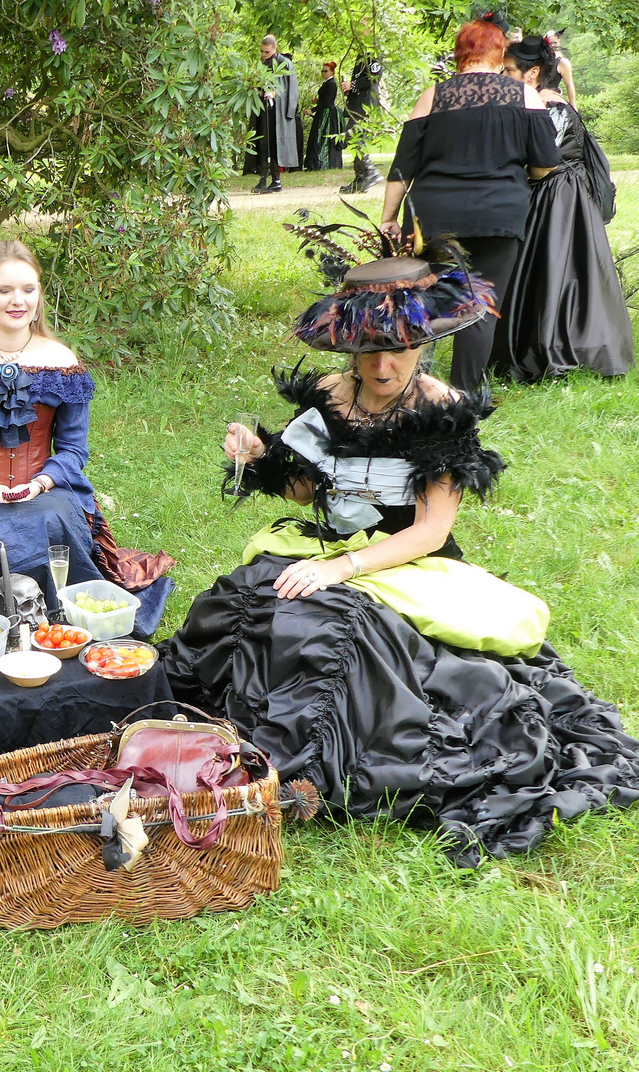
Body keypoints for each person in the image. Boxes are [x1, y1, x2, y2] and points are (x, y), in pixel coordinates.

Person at [161, 247, 639, 868]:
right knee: (253, 605)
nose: (384, 364)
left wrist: (342, 570)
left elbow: (431, 529)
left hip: (406, 564)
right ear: (348, 348)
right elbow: (308, 489)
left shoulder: (439, 407)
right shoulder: (331, 395)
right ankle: (253, 749)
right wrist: (259, 456)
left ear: (423, 343)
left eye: (400, 348)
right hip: (328, 547)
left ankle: (306, 772)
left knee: (338, 628)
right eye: (369, 349)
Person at [0, 240, 173, 619]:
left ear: (39, 294)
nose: (18, 300)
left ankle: (56, 616)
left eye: (28, 289)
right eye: (4, 289)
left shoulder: (62, 363)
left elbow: (74, 450)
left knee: (51, 517)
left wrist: (40, 483)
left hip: (46, 488)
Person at [379, 16, 559, 393]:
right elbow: (545, 164)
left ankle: (411, 386)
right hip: (498, 214)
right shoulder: (525, 95)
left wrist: (389, 218)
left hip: (432, 217)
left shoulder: (433, 96)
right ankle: (463, 396)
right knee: (481, 305)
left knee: (420, 299)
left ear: (460, 56)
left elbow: (402, 168)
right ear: (498, 56)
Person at [496, 37, 633, 382]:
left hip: (558, 197)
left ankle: (556, 347)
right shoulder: (533, 103)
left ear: (533, 73)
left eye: (509, 69)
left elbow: (544, 161)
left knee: (558, 270)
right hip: (550, 193)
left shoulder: (551, 106)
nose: (503, 74)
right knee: (547, 271)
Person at [251, 35, 298, 193]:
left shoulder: (285, 63)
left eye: (267, 51)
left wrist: (275, 93)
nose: (264, 54)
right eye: (262, 51)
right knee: (264, 144)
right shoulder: (262, 63)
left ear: (274, 49)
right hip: (265, 110)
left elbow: (289, 88)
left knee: (276, 145)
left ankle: (276, 180)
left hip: (279, 112)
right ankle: (263, 179)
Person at [339, 55, 384, 193]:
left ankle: (370, 171)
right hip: (358, 102)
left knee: (353, 137)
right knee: (354, 138)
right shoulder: (361, 55)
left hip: (366, 104)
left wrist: (352, 85)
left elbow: (374, 77)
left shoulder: (374, 55)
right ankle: (360, 177)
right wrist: (349, 88)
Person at [305, 61, 344, 171]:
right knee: (318, 137)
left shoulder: (331, 84)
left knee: (321, 138)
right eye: (322, 71)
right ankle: (315, 164)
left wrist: (312, 109)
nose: (323, 73)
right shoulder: (327, 83)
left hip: (327, 115)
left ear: (332, 72)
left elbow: (327, 102)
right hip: (323, 112)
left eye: (326, 71)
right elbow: (325, 100)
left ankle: (321, 164)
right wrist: (317, 101)